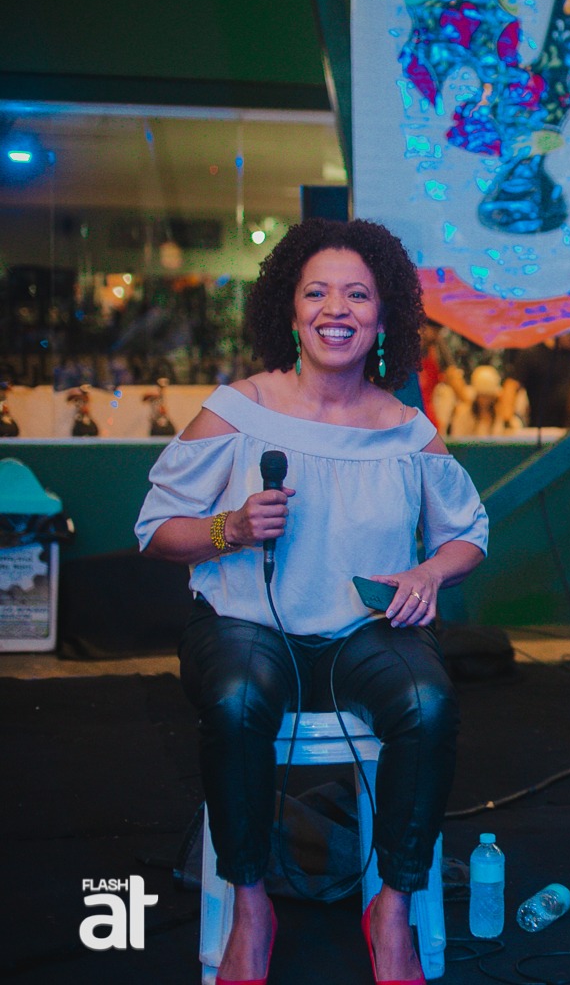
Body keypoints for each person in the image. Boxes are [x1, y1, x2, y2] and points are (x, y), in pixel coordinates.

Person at [135, 217, 489, 985]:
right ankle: (250, 903)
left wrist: (430, 574)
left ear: (383, 316)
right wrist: (229, 528)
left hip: (365, 634)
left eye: (357, 294)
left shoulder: (406, 430)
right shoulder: (238, 410)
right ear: (290, 311)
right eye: (317, 292)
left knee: (428, 704)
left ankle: (391, 906)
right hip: (245, 626)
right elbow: (156, 530)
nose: (337, 309)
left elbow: (469, 533)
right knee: (235, 701)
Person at [497, 329, 570, 428]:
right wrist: (507, 419)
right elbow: (511, 386)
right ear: (557, 330)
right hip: (543, 428)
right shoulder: (532, 354)